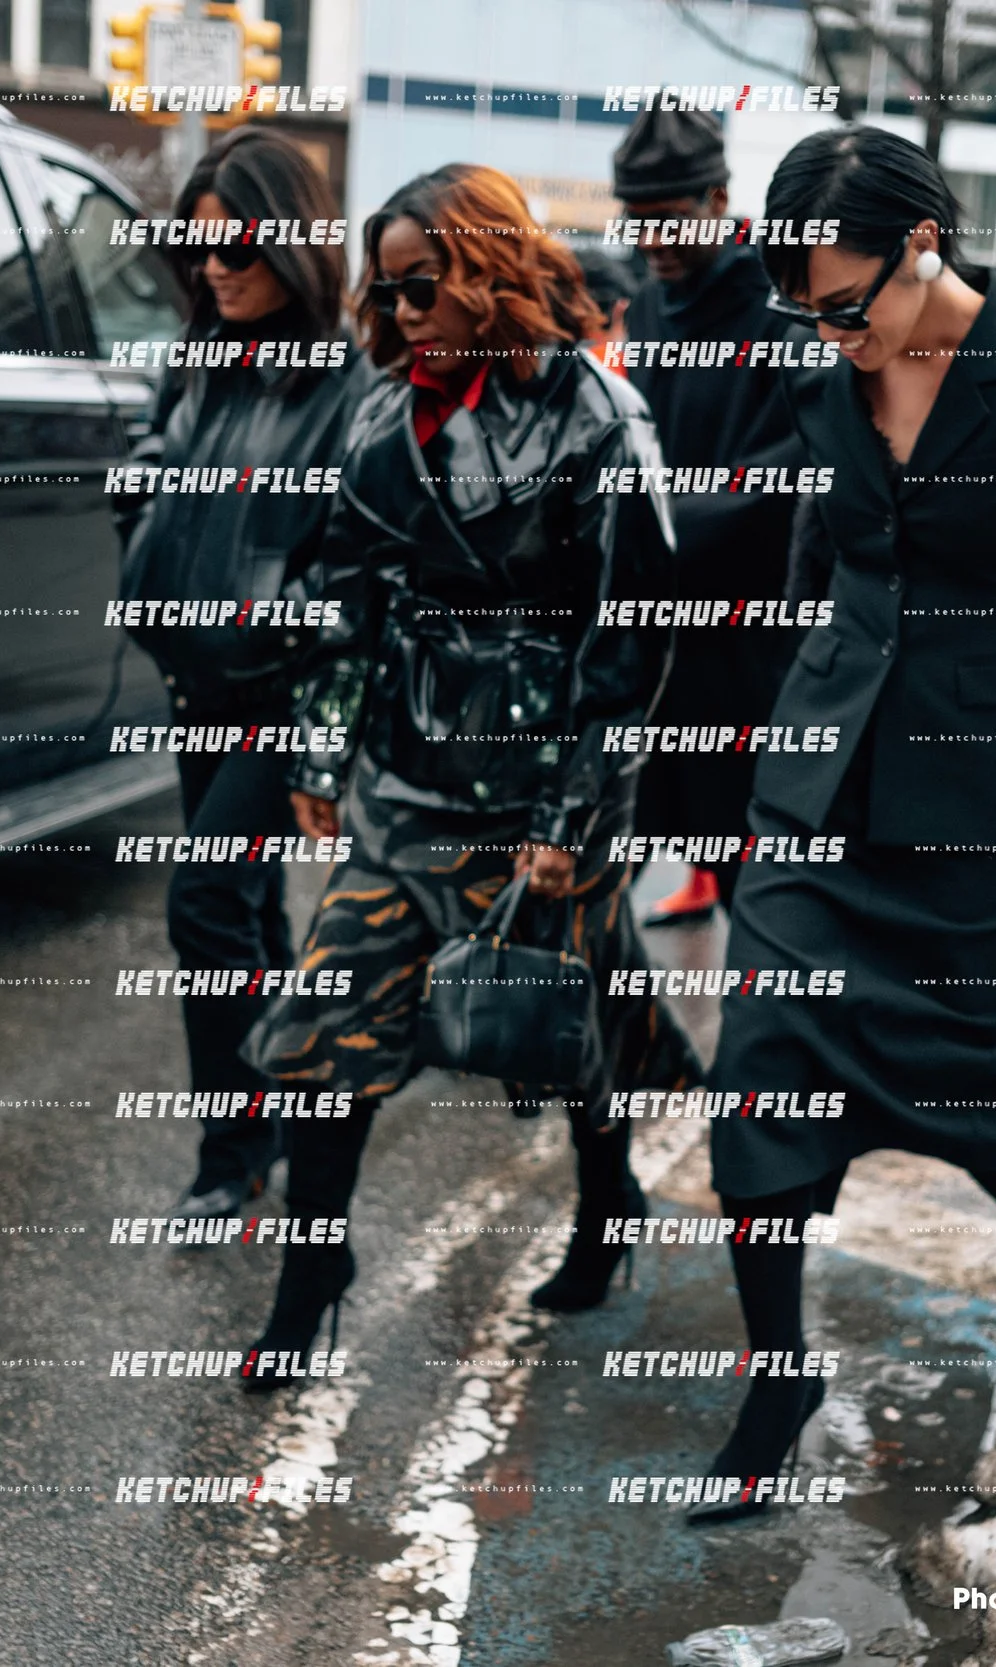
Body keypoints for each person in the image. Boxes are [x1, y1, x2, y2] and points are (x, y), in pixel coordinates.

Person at [690, 127, 996, 1523]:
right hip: (818, 788)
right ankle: (778, 1377)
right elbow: (818, 563)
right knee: (761, 1066)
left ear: (926, 245)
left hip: (977, 788)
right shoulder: (819, 371)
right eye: (807, 313)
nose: (832, 335)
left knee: (955, 1068)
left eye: (851, 304)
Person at [235, 164, 700, 1385]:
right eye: (384, 293)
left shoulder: (595, 413)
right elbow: (341, 591)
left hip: (548, 791)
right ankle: (308, 1275)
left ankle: (609, 1201)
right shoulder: (383, 413)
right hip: (405, 787)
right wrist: (322, 745)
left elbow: (635, 631)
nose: (399, 314)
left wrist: (576, 812)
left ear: (489, 267)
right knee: (329, 1021)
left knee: (567, 1022)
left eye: (421, 286)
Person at [118, 131, 376, 1224]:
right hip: (196, 680)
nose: (215, 269)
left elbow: (357, 573)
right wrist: (142, 505)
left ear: (295, 247)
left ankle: (240, 1146)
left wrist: (314, 715)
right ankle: (261, 1135)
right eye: (200, 251)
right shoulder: (199, 354)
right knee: (249, 910)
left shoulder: (349, 386)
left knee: (205, 901)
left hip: (279, 692)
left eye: (238, 249)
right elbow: (161, 456)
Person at [609, 105, 811, 930]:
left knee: (755, 883)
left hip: (749, 641)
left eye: (666, 219)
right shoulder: (650, 309)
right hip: (662, 643)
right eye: (634, 220)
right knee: (610, 851)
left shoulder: (780, 306)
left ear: (719, 199)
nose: (649, 239)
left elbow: (798, 460)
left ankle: (768, 1052)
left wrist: (664, 524)